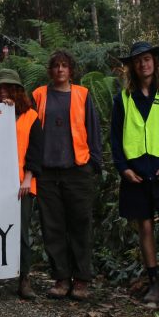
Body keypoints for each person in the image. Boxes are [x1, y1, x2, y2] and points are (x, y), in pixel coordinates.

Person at [110, 41, 159, 309]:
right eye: (137, 60)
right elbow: (115, 138)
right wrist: (123, 169)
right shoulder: (123, 99)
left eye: (147, 59)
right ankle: (154, 283)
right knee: (144, 228)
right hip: (136, 175)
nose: (143, 64)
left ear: (155, 62)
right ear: (131, 66)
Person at [30, 50, 102, 301]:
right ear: (50, 70)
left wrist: (94, 163)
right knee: (53, 227)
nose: (60, 70)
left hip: (77, 170)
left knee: (80, 225)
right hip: (46, 172)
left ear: (71, 70)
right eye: (56, 66)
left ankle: (81, 280)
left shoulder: (82, 95)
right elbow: (27, 124)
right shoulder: (39, 95)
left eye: (65, 66)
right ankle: (61, 278)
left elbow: (93, 128)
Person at [0, 69, 43, 302]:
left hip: (22, 185)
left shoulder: (31, 117)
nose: (2, 91)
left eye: (7, 87)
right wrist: (1, 113)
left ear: (17, 90)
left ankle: (23, 279)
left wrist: (28, 178)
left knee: (21, 234)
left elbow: (36, 151)